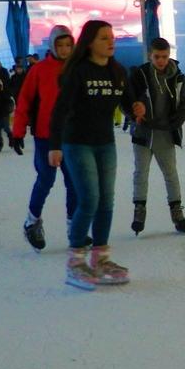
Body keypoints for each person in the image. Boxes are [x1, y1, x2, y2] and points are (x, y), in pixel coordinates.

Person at [49, 20, 144, 291]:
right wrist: (54, 145)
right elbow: (60, 110)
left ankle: (101, 258)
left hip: (105, 143)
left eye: (112, 37)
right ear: (90, 42)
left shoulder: (118, 71)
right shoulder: (77, 72)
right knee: (89, 198)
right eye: (104, 38)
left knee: (106, 201)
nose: (111, 42)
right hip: (77, 143)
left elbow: (126, 103)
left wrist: (135, 107)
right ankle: (75, 261)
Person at [12, 25, 76, 251]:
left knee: (74, 183)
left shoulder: (78, 69)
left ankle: (73, 227)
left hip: (72, 137)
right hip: (45, 136)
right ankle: (32, 221)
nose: (65, 49)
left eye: (68, 45)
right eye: (60, 45)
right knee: (46, 179)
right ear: (52, 46)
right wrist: (17, 130)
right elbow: (25, 100)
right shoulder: (39, 70)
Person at [128, 37, 185, 235]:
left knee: (170, 174)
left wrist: (180, 117)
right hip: (143, 133)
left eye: (165, 57)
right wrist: (134, 112)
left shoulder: (178, 77)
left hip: (166, 133)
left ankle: (177, 212)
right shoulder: (139, 75)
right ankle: (139, 209)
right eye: (157, 57)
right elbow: (128, 100)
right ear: (150, 56)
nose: (161, 61)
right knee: (141, 173)